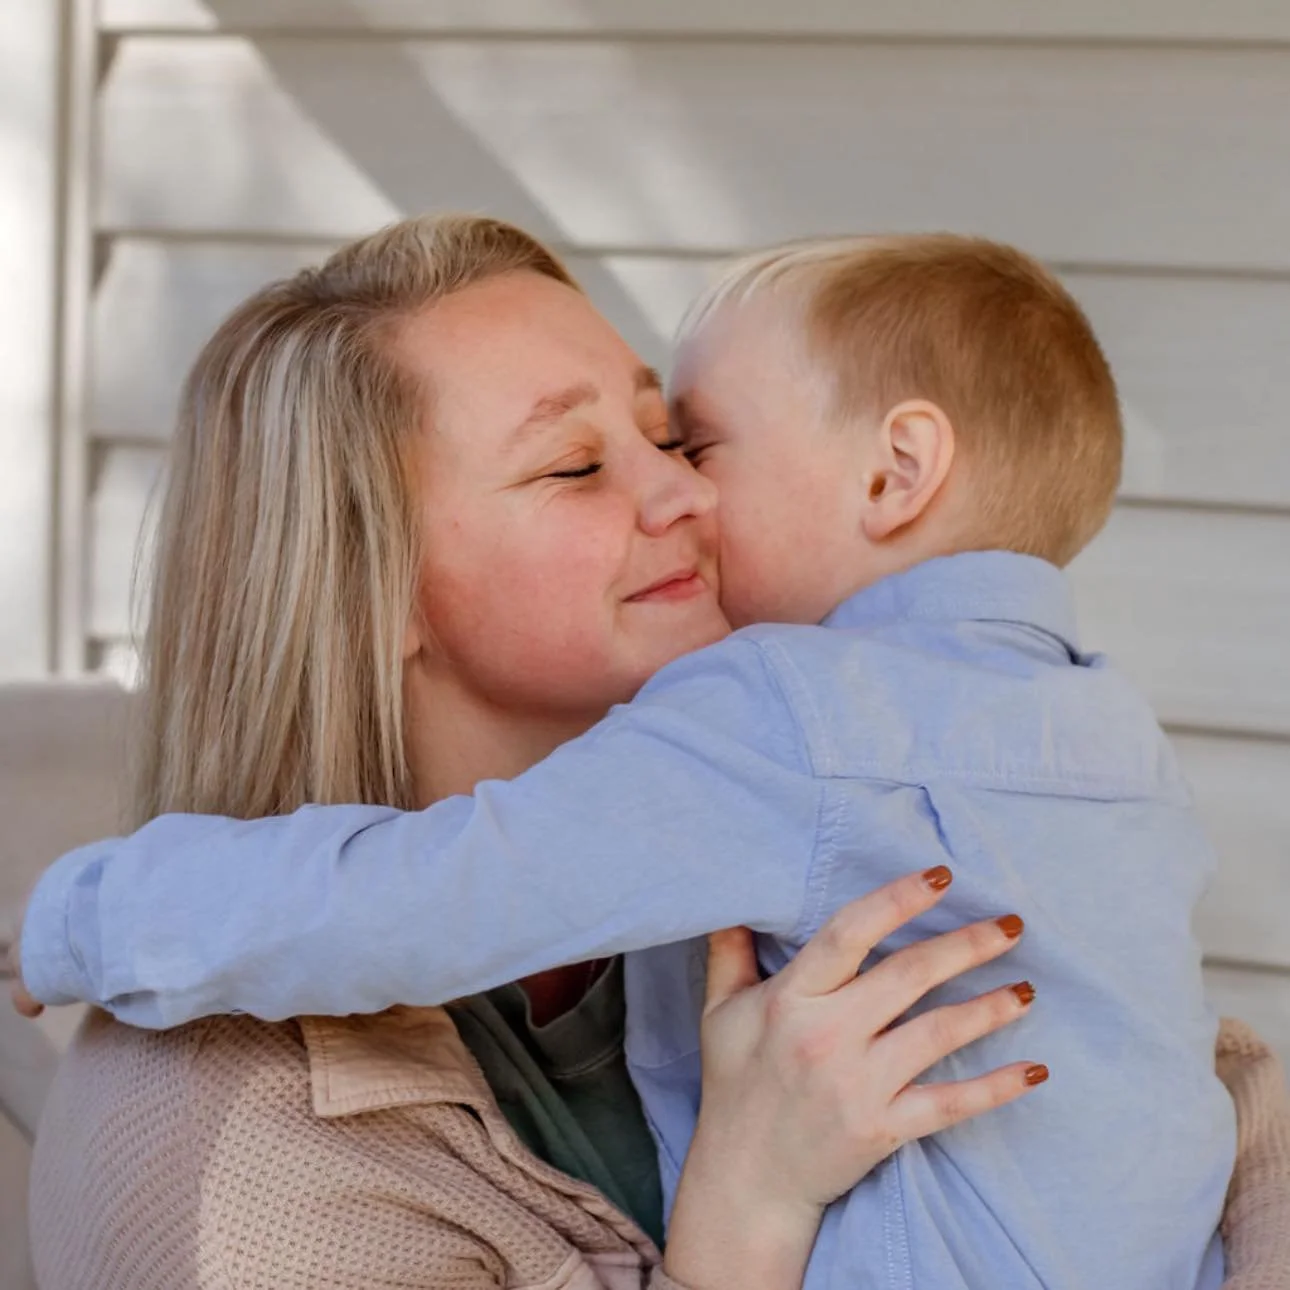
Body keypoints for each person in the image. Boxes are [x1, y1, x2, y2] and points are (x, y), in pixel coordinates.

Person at [16, 221, 1290, 1287]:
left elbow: (1219, 1098)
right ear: (370, 590)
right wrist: (746, 1209)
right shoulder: (227, 1161)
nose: (687, 495)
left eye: (676, 439)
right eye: (576, 464)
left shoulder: (788, 768)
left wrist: (88, 910)